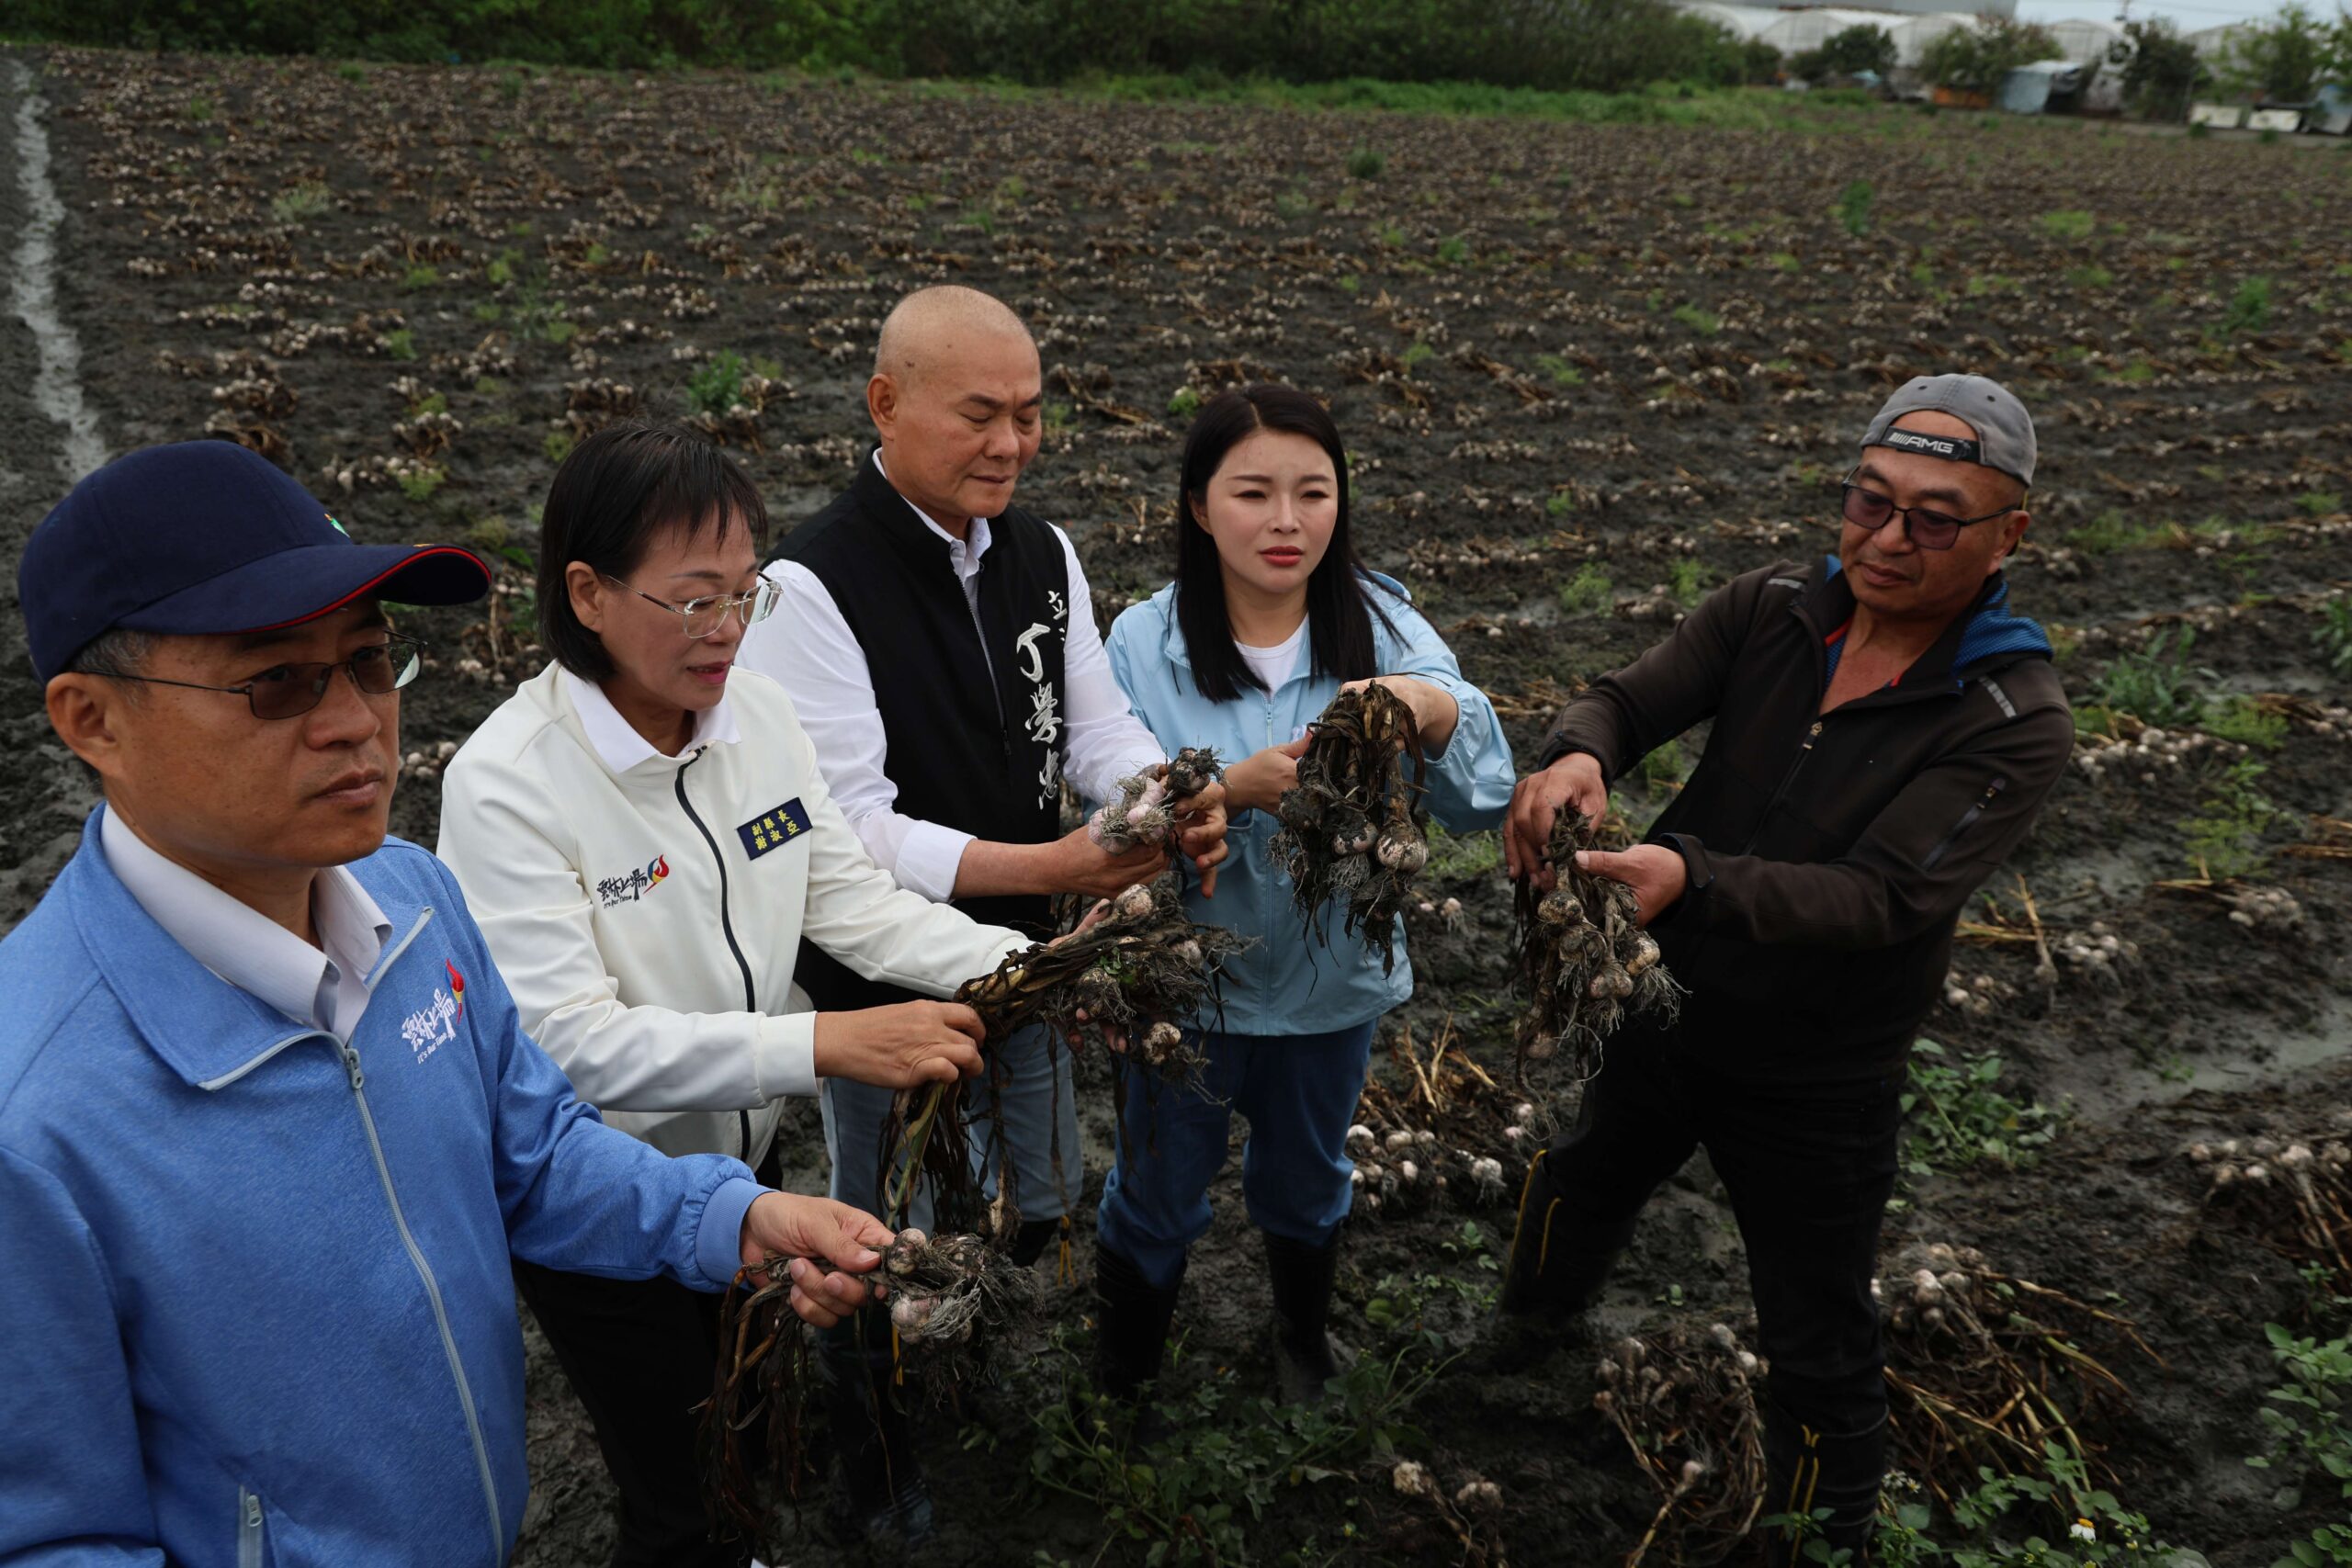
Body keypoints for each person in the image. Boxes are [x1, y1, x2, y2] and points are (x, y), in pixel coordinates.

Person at [0, 440, 888, 1568]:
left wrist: (730, 1221)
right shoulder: (34, 1122)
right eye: (276, 681)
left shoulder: (413, 902)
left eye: (369, 661)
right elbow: (49, 1535)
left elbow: (536, 1156)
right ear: (91, 721)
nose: (354, 721)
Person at [435, 422, 1042, 1564]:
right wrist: (820, 1044)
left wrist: (1022, 969)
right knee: (679, 1479)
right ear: (588, 593)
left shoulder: (756, 719)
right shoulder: (509, 785)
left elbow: (847, 900)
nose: (725, 630)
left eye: (743, 595)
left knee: (748, 1409)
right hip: (596, 1198)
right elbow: (571, 1045)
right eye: (692, 600)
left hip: (740, 1168)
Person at [1498, 375, 2074, 1559]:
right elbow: (1624, 701)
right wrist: (1576, 755)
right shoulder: (1771, 607)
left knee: (1815, 1324)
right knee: (1581, 1180)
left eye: (1934, 519)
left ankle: (1829, 1534)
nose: (1887, 539)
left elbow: (1883, 898)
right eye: (1869, 501)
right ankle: (1522, 1343)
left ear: (2008, 535)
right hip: (1661, 1006)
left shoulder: (2008, 712)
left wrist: (1691, 877)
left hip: (1817, 1069)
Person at [734, 285, 1228, 1533]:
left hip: (1029, 964)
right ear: (885, 405)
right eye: (979, 415)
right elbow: (852, 829)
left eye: (1030, 413)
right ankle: (876, 1454)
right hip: (883, 990)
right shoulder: (810, 586)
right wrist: (1053, 862)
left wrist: (1156, 798)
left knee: (1041, 1190)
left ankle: (962, 1347)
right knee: (876, 1226)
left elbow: (1096, 726)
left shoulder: (1040, 552)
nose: (1012, 443)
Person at [1091, 384, 1514, 1407]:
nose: (1286, 521)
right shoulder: (1143, 642)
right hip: (1184, 988)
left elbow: (1480, 794)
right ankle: (1125, 1379)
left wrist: (1422, 704)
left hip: (1332, 986)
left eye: (1313, 493)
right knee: (1158, 1184)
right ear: (1198, 508)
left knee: (1310, 1175)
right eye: (1253, 493)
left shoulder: (1383, 625)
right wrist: (1225, 792)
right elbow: (1107, 814)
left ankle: (1301, 1339)